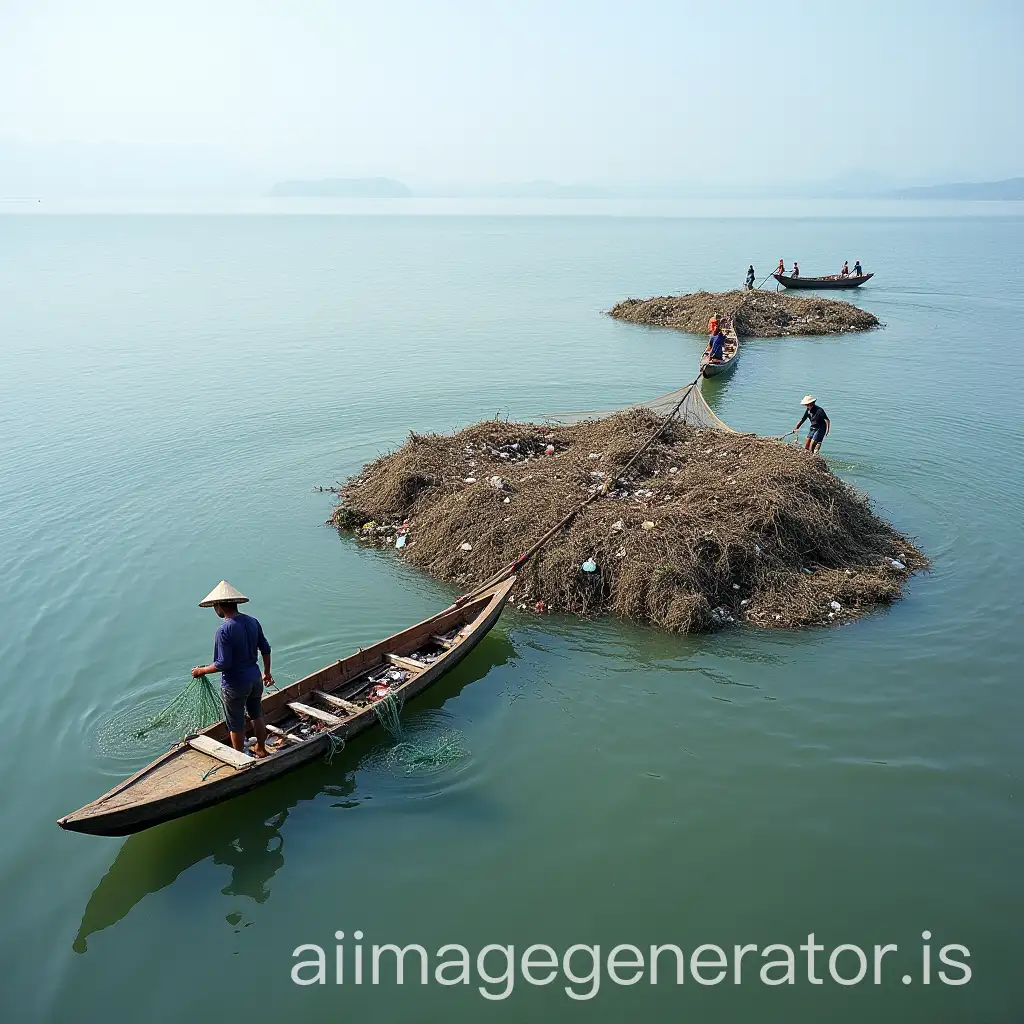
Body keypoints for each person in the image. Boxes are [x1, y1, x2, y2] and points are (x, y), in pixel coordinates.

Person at [192, 580, 274, 758]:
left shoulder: (224, 630)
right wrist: (267, 672)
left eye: (215, 606)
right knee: (256, 715)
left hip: (235, 684)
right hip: (255, 679)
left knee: (235, 724)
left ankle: (241, 759)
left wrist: (201, 671)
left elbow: (223, 664)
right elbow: (266, 649)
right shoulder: (253, 622)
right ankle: (261, 749)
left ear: (219, 606)